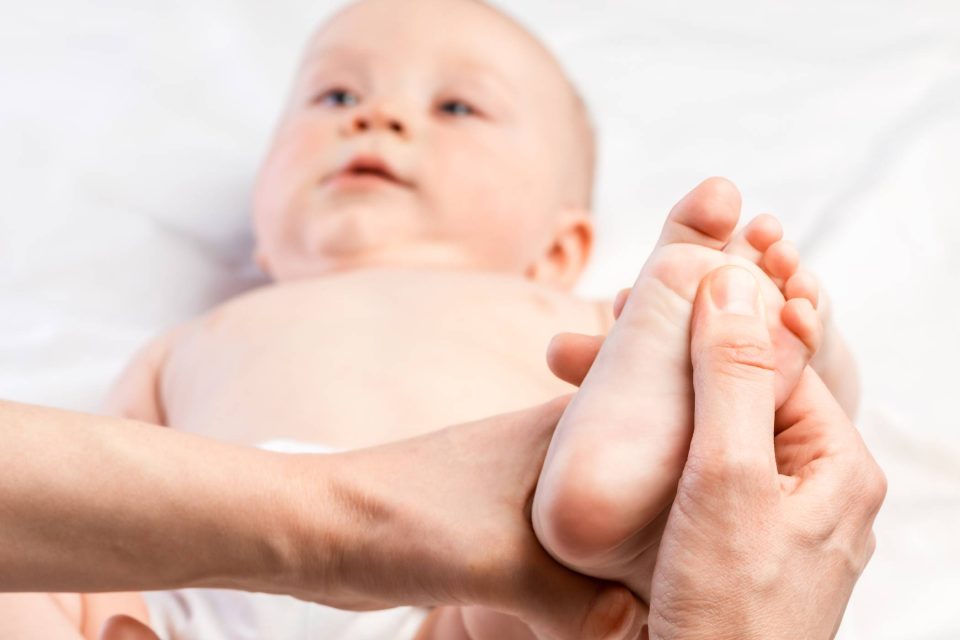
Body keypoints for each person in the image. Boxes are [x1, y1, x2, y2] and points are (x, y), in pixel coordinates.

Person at [1, 0, 863, 636]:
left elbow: (825, 441)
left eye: (458, 107)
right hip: (204, 587)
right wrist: (107, 609)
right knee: (33, 580)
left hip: (472, 583)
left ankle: (698, 376)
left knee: (561, 581)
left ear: (559, 248)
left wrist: (803, 359)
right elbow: (113, 497)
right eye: (332, 97)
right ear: (264, 234)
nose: (378, 116)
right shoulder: (192, 342)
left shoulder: (577, 313)